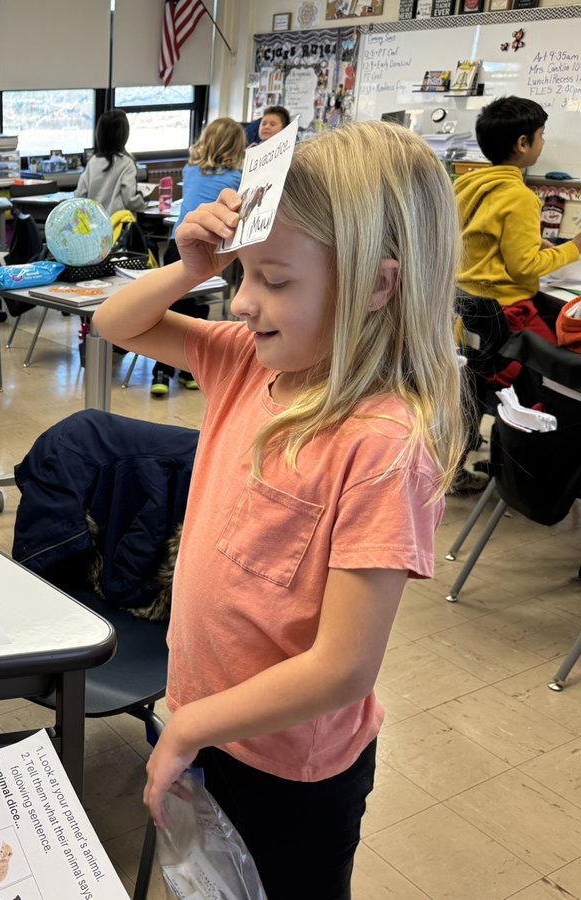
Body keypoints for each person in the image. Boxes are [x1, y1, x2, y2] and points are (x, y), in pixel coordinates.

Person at [92, 121, 466, 900]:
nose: (245, 298)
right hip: (208, 718)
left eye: (276, 279)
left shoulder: (381, 443)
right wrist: (193, 265)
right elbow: (112, 324)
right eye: (243, 273)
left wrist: (191, 726)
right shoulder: (244, 360)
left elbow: (342, 666)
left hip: (292, 771)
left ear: (377, 285)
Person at [455, 96, 581, 388]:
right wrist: (574, 248)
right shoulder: (519, 196)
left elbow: (479, 234)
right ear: (523, 143)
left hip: (468, 308)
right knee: (564, 367)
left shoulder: (468, 183)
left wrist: (532, 241)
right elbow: (524, 268)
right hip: (508, 313)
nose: (544, 143)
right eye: (542, 135)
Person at [150, 117, 245, 395]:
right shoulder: (237, 179)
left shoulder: (190, 170)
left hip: (176, 245)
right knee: (195, 311)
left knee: (172, 309)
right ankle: (189, 370)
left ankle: (161, 372)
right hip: (206, 252)